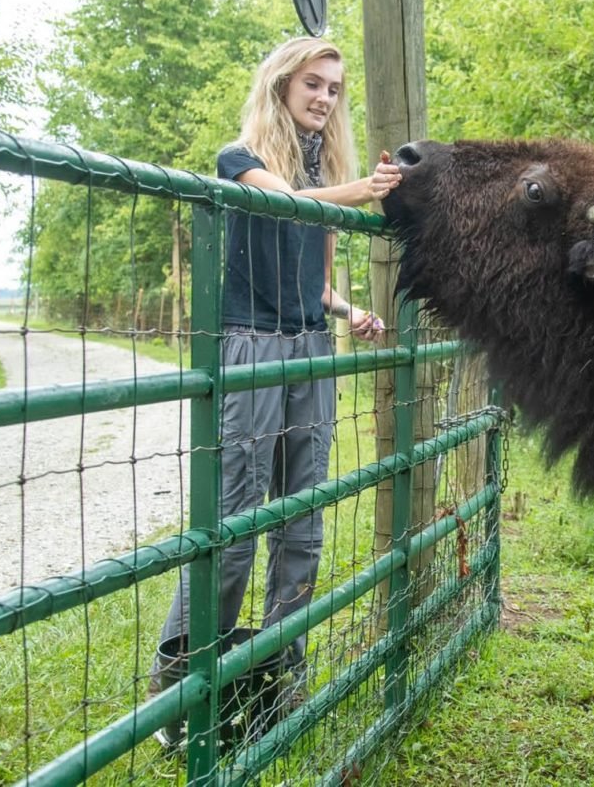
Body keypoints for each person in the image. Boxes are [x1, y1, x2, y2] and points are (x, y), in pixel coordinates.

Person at [151, 37, 401, 717]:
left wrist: (351, 312)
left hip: (309, 347)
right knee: (236, 517)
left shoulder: (326, 167)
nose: (324, 97)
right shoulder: (239, 160)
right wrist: (360, 195)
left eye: (334, 88)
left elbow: (315, 281)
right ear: (281, 85)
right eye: (313, 84)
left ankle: (277, 675)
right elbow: (287, 201)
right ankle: (181, 682)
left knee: (301, 522)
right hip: (252, 346)